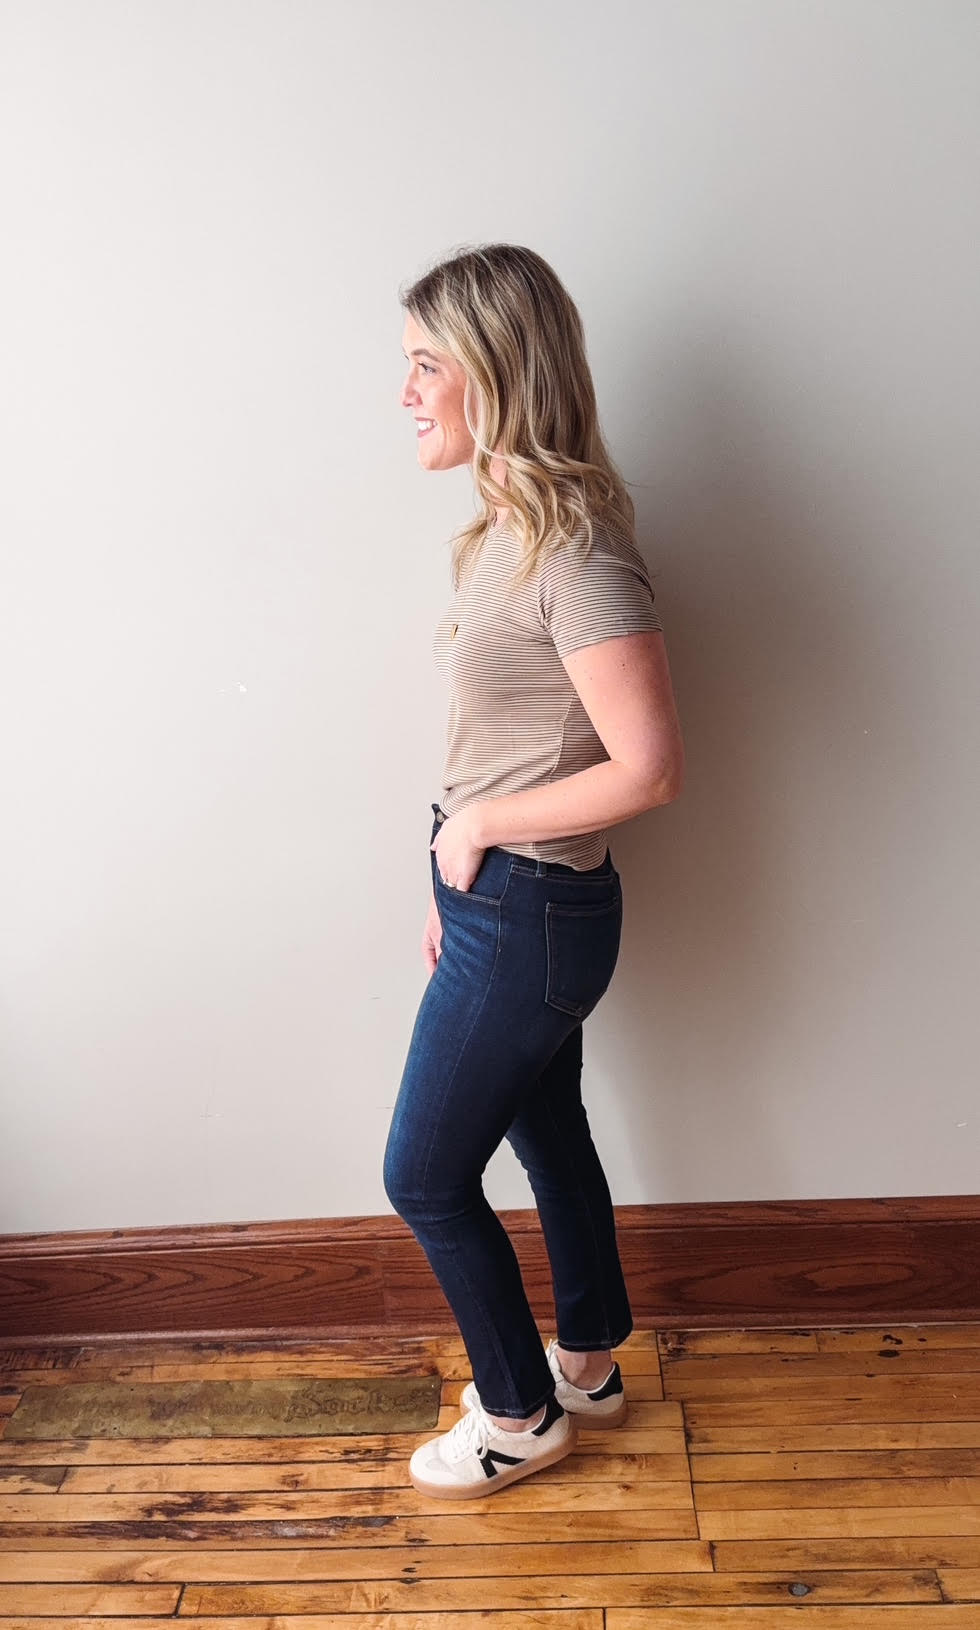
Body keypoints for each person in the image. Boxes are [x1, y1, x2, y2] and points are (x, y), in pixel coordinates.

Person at [383, 244, 684, 1499]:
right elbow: (500, 742)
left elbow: (649, 766)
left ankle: (517, 1414)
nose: (403, 393)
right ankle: (589, 1361)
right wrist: (451, 869)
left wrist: (479, 834)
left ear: (494, 374)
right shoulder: (503, 534)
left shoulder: (577, 555)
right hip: (500, 901)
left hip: (532, 906)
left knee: (424, 1173)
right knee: (544, 1126)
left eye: (423, 366)